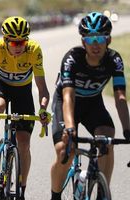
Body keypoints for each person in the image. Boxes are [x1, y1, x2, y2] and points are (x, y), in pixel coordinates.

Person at [50, 12, 130, 200]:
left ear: (108, 40)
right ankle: (55, 196)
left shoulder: (114, 60)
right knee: (64, 150)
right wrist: (70, 128)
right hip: (66, 103)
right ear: (83, 41)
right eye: (90, 39)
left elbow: (120, 97)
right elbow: (68, 96)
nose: (95, 44)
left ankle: (103, 191)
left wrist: (127, 129)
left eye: (100, 38)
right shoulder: (72, 58)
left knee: (106, 140)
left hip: (93, 104)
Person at [0, 16, 50, 199]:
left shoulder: (34, 50)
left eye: (22, 42)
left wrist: (43, 109)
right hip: (2, 88)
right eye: (14, 43)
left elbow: (42, 89)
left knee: (24, 144)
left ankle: (22, 190)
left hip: (23, 93)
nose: (18, 46)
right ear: (5, 40)